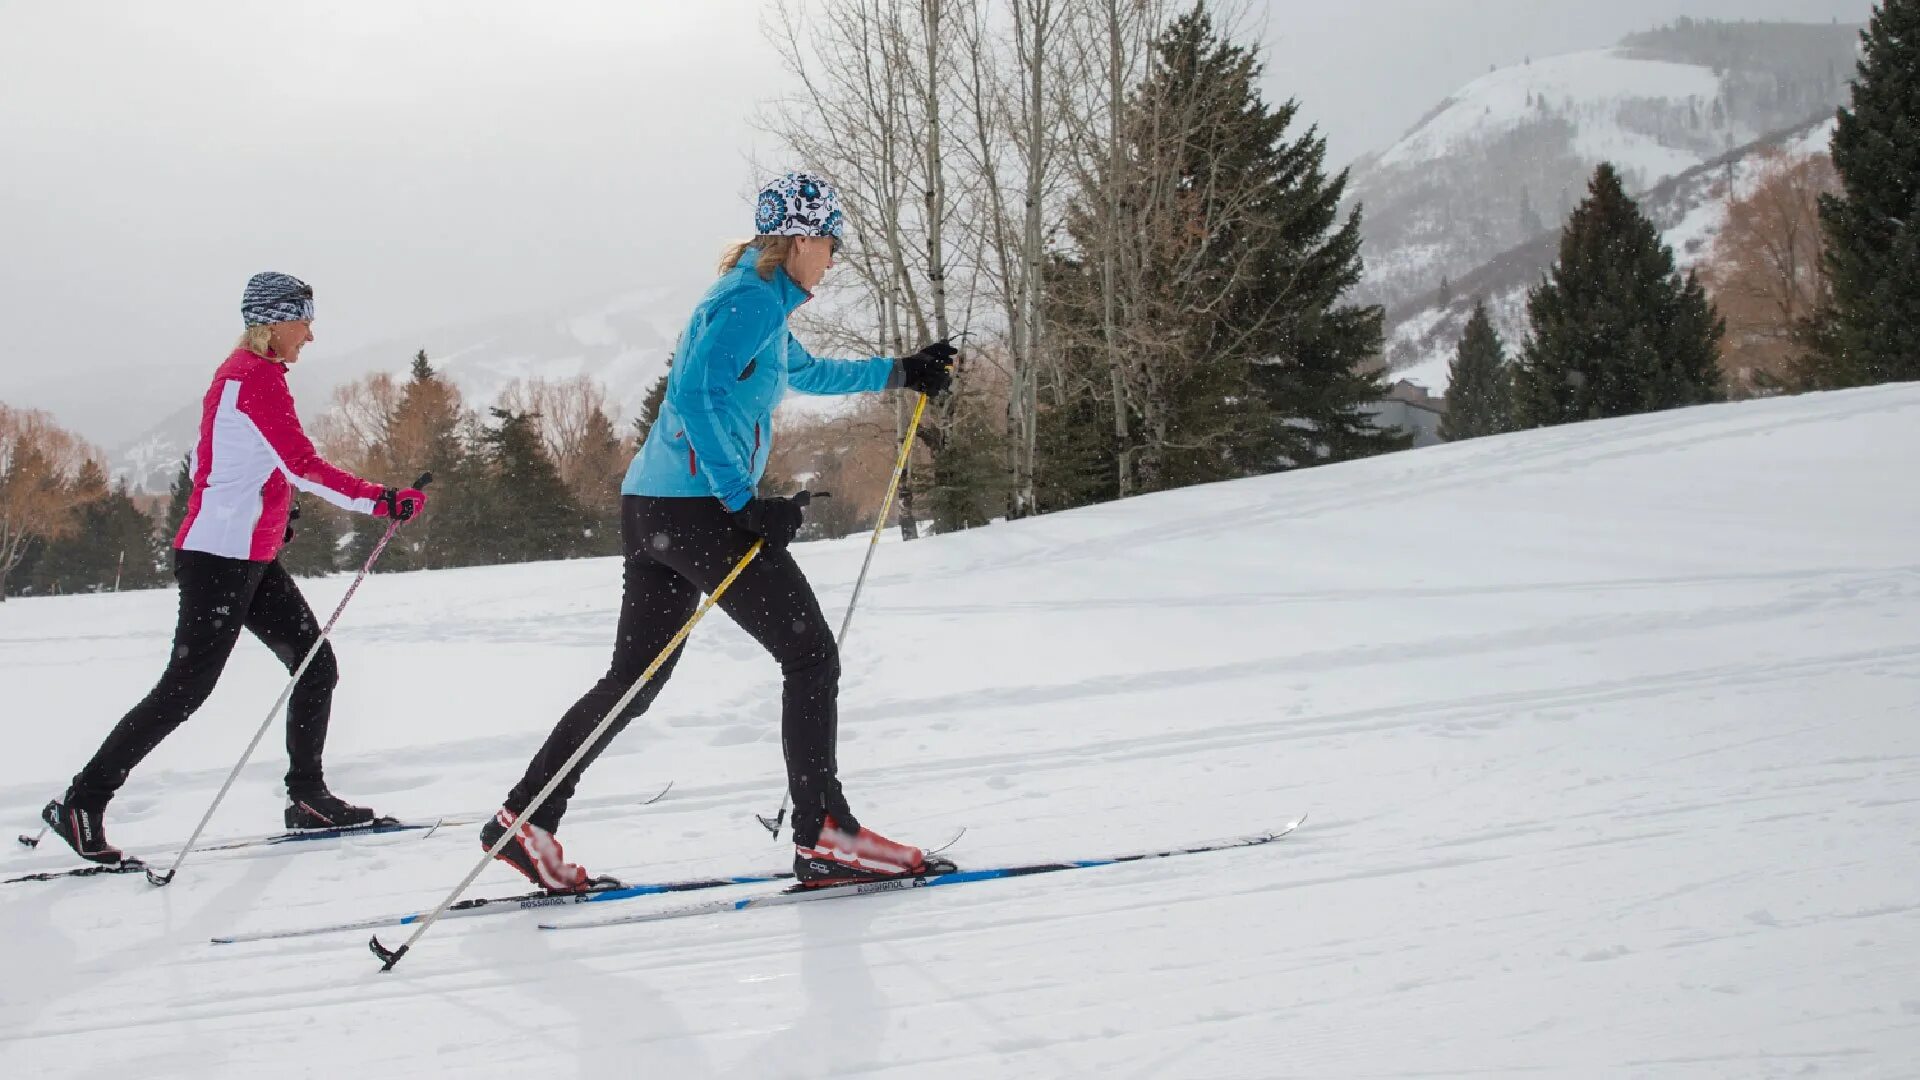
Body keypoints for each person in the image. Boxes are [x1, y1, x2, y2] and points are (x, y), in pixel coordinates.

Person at [483, 172, 957, 892]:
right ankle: (825, 833)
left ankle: (526, 819)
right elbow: (693, 393)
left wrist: (901, 371)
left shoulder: (757, 305)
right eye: (831, 243)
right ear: (800, 240)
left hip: (654, 508)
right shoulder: (745, 302)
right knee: (809, 656)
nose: (833, 258)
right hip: (695, 510)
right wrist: (742, 502)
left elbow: (808, 372)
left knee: (633, 680)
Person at [39, 272, 429, 865]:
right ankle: (83, 802)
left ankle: (308, 799)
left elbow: (236, 465)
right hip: (219, 559)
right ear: (272, 325)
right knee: (185, 689)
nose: (311, 335)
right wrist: (382, 499)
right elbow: (300, 464)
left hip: (248, 554)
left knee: (314, 666)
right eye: (303, 320)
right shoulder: (253, 379)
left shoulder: (247, 377)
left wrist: (272, 518)